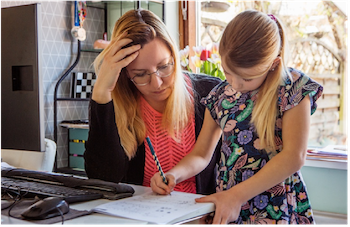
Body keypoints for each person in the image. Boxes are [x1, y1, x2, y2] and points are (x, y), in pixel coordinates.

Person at [150, 10, 323, 225]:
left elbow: (293, 157)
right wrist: (174, 174)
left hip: (275, 208)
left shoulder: (292, 88)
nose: (236, 84)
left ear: (273, 64)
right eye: (227, 72)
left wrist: (237, 196)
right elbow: (202, 154)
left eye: (247, 78)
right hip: (228, 205)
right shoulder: (220, 95)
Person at [83, 9, 222, 195]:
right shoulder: (114, 104)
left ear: (174, 56)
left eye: (164, 66)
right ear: (125, 73)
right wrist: (101, 92)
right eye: (140, 74)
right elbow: (102, 178)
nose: (157, 83)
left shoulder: (210, 93)